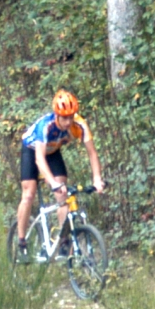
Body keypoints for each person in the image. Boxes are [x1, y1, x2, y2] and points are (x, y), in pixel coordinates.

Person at [15, 90, 105, 262]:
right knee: (28, 194)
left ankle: (63, 242)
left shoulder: (80, 124)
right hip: (32, 150)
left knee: (63, 195)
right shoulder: (45, 125)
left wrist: (97, 179)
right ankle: (21, 243)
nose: (68, 122)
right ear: (56, 115)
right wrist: (52, 183)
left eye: (71, 117)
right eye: (64, 118)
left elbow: (92, 153)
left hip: (53, 151)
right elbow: (39, 159)